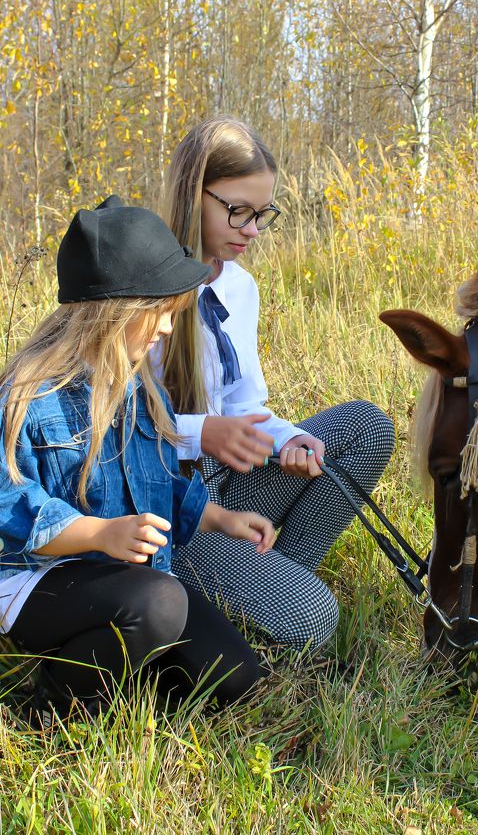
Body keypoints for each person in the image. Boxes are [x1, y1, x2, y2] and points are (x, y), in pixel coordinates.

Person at [0, 195, 276, 724]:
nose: (168, 330)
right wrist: (100, 534)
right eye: (161, 314)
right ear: (115, 311)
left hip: (120, 579)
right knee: (160, 605)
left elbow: (162, 480)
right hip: (37, 579)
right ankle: (53, 706)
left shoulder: (141, 389)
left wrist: (222, 519)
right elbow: (13, 508)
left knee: (235, 676)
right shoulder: (29, 397)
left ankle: (121, 683)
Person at [159, 116, 395, 651]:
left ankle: (273, 580)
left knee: (367, 429)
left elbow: (247, 405)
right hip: (175, 503)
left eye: (262, 214)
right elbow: (113, 427)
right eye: (237, 211)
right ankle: (271, 598)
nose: (252, 231)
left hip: (234, 479)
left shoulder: (241, 288)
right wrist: (203, 434)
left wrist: (287, 438)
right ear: (193, 192)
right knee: (315, 620)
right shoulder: (144, 289)